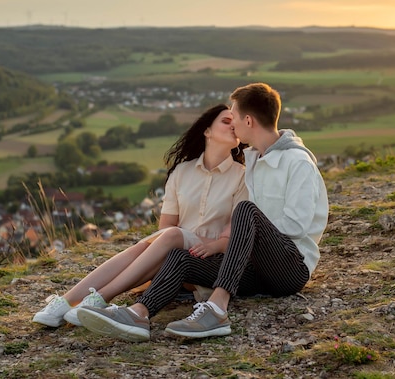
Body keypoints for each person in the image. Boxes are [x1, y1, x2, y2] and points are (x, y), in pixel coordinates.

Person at [76, 82, 329, 342]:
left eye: (235, 116)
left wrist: (245, 229)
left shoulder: (297, 162)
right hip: (253, 270)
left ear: (249, 121)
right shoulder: (254, 160)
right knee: (180, 256)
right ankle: (138, 314)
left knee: (246, 210)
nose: (234, 125)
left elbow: (297, 226)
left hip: (289, 269)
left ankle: (217, 310)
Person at [32, 104, 248, 327]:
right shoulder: (181, 172)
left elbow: (236, 238)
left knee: (172, 236)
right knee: (148, 245)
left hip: (211, 261)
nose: (233, 125)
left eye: (236, 122)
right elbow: (163, 231)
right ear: (207, 131)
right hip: (173, 258)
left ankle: (98, 299)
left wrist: (210, 246)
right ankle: (66, 302)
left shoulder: (242, 177)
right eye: (225, 121)